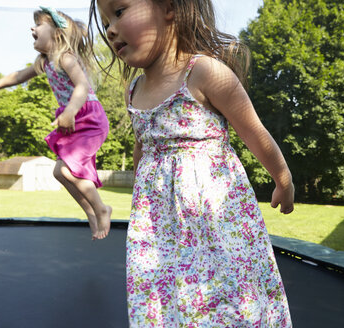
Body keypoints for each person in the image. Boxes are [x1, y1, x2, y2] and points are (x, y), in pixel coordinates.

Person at [91, 0, 295, 326]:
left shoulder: (203, 72)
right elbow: (142, 146)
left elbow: (253, 132)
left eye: (119, 11)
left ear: (168, 7)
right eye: (104, 22)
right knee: (164, 296)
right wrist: (142, 200)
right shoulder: (134, 90)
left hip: (214, 217)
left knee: (229, 294)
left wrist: (283, 180)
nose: (110, 29)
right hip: (160, 226)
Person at [0, 7, 112, 240]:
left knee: (67, 170)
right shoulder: (44, 63)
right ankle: (91, 211)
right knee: (59, 172)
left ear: (57, 33)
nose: (33, 28)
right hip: (71, 120)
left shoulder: (66, 58)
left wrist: (70, 110)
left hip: (88, 118)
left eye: (39, 24)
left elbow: (81, 86)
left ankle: (101, 208)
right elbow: (19, 76)